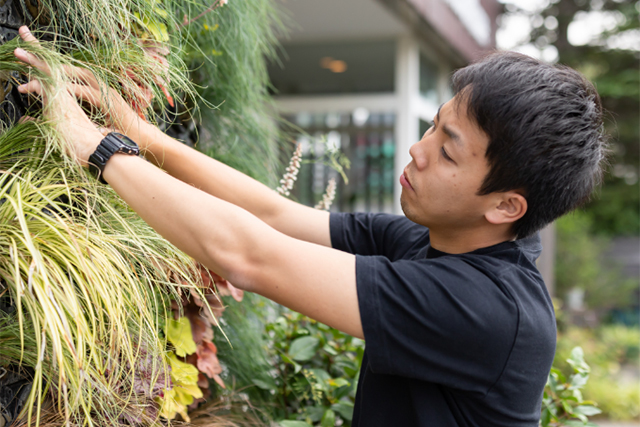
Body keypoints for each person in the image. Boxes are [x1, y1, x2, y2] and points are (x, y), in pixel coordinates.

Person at [13, 26, 606, 427]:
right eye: (432, 128)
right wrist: (141, 136)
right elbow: (275, 217)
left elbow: (250, 256)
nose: (417, 151)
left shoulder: (489, 312)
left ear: (506, 206)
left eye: (448, 152)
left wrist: (95, 147)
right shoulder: (432, 244)